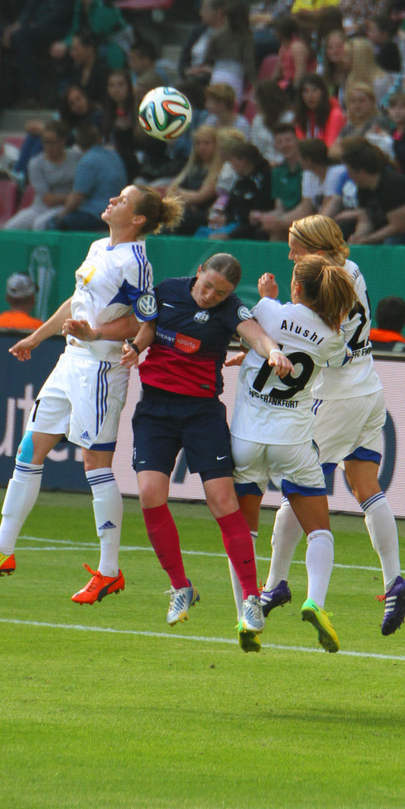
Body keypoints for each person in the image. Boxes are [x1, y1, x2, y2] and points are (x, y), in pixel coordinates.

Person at [0, 185, 183, 604]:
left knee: (95, 464)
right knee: (29, 448)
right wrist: (37, 337)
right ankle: (1, 551)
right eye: (114, 195)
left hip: (101, 367)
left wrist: (95, 332)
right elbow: (76, 302)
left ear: (136, 220)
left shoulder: (137, 262)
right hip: (70, 360)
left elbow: (140, 322)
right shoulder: (99, 245)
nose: (111, 200)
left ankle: (109, 572)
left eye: (122, 199)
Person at [121, 253, 293, 650]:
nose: (210, 296)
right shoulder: (165, 291)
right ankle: (181, 587)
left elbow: (253, 333)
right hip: (155, 410)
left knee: (221, 501)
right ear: (197, 272)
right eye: (207, 287)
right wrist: (134, 347)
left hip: (201, 414)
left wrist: (272, 351)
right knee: (149, 494)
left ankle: (251, 598)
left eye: (221, 293)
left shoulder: (231, 309)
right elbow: (149, 329)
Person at [254, 215, 405, 636]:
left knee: (300, 485)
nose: (290, 255)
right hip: (369, 390)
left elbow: (320, 343)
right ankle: (394, 579)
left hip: (338, 397)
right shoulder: (352, 269)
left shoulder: (325, 283)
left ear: (319, 249)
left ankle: (274, 586)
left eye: (296, 248)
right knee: (366, 485)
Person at [228, 255, 356, 651]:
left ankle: (246, 616)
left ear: (295, 287)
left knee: (243, 532)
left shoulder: (268, 309)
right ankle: (315, 601)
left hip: (246, 439)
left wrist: (268, 297)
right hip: (293, 443)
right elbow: (326, 357)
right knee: (319, 530)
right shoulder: (334, 336)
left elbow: (257, 333)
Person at [49, 124, 128, 231]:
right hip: (119, 212)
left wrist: (60, 215)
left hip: (97, 215)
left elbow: (77, 197)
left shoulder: (87, 161)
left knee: (53, 224)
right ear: (98, 138)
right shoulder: (114, 156)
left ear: (78, 142)